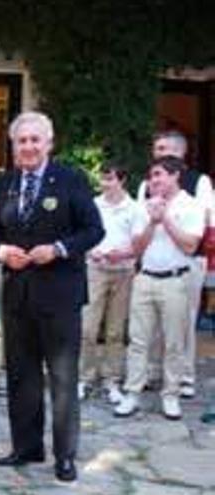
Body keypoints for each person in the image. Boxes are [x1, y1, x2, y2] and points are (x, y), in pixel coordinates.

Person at [0, 111, 103, 482]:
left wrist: (57, 248)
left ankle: (65, 455)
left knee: (62, 378)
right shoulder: (5, 182)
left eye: (35, 140)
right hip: (18, 295)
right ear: (14, 146)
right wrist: (2, 252)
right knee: (22, 376)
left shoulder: (71, 180)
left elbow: (93, 230)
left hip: (59, 294)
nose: (28, 147)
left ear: (49, 143)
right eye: (21, 141)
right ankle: (26, 447)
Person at [114, 156, 205, 420]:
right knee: (138, 341)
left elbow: (190, 245)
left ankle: (171, 395)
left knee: (174, 342)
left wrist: (165, 218)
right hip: (145, 278)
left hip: (176, 280)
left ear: (175, 175)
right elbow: (137, 248)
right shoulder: (145, 206)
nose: (154, 181)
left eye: (159, 175)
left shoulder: (192, 205)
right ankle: (132, 394)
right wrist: (152, 223)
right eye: (152, 176)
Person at [136, 130, 213, 399]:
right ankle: (154, 372)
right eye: (157, 149)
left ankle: (185, 376)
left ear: (181, 153)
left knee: (184, 321)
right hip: (153, 260)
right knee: (153, 324)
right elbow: (139, 220)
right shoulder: (146, 184)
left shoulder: (199, 181)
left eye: (166, 149)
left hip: (189, 260)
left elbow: (206, 220)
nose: (161, 153)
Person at [78, 164, 144, 404]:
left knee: (116, 331)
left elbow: (138, 241)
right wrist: (92, 251)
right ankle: (84, 378)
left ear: (122, 180)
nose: (105, 184)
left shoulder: (135, 207)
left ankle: (111, 380)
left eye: (110, 179)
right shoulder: (93, 204)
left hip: (124, 271)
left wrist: (124, 254)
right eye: (103, 179)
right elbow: (83, 234)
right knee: (87, 327)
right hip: (95, 269)